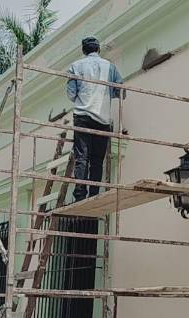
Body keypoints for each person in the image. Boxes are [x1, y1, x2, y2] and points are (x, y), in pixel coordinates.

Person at [66, 36, 123, 202]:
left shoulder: (76, 66)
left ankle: (79, 195)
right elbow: (120, 90)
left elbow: (71, 94)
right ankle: (94, 194)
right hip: (103, 119)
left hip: (83, 116)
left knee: (82, 157)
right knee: (97, 159)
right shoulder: (110, 67)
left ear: (84, 51)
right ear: (98, 49)